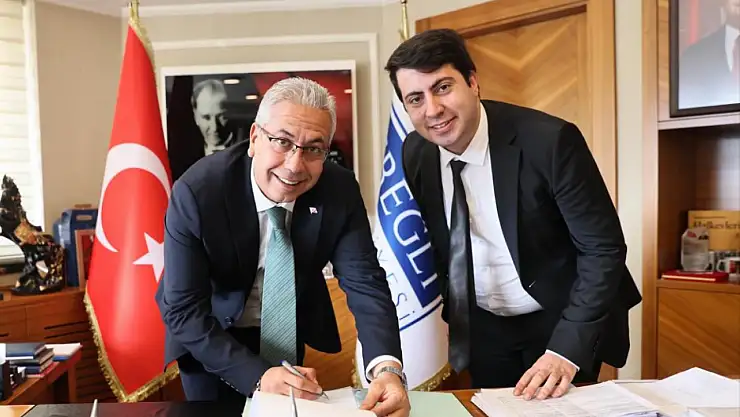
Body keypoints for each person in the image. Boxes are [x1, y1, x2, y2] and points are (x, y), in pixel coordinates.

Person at [385, 29, 642, 400]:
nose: (433, 109)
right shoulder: (415, 152)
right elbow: (442, 243)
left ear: (473, 82)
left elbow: (603, 249)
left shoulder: (550, 141)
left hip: (561, 316)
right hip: (485, 327)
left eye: (442, 87)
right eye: (415, 99)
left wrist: (566, 350)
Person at [155, 77, 410, 417]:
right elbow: (183, 309)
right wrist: (258, 376)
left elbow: (365, 282)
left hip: (285, 330)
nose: (294, 165)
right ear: (254, 138)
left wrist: (387, 369)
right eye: (282, 142)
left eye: (314, 149)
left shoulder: (339, 189)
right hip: (211, 335)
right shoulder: (198, 191)